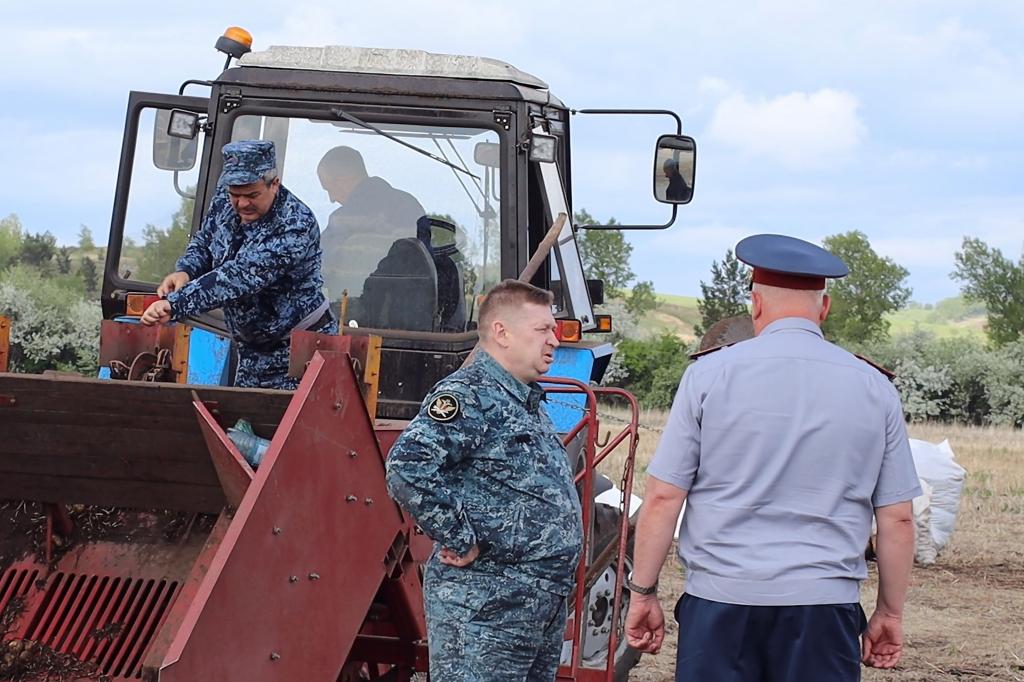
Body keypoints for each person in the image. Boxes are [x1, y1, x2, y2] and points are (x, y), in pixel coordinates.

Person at [625, 233, 920, 681]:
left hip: (720, 604)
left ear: (755, 305)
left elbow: (664, 498)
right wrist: (889, 613)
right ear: (824, 309)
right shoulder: (874, 387)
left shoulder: (707, 375)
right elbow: (898, 518)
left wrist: (643, 592)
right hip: (824, 607)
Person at [385, 280, 582, 681]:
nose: (555, 340)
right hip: (487, 607)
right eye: (542, 329)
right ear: (501, 332)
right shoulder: (469, 394)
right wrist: (460, 536)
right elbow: (408, 466)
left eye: (553, 329)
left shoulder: (526, 401)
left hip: (535, 604)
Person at [140, 140, 337, 389]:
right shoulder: (225, 199)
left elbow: (238, 277)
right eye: (236, 195)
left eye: (252, 195)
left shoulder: (296, 224)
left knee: (286, 426)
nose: (242, 204)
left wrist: (175, 304)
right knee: (241, 426)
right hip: (251, 352)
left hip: (300, 354)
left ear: (274, 184)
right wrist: (186, 270)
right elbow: (206, 240)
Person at [317, 146, 427, 299]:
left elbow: (316, 271)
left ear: (341, 181)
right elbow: (426, 262)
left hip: (354, 314)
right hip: (413, 313)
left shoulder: (343, 221)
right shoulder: (412, 207)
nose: (332, 199)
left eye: (329, 189)